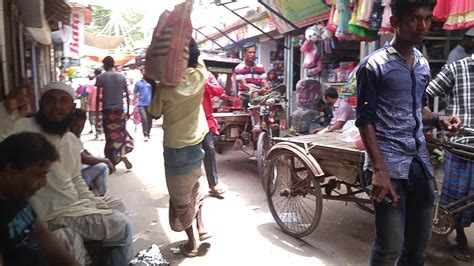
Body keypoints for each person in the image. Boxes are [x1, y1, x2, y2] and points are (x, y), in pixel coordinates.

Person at [355, 1, 462, 265]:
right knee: (389, 248)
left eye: (427, 19)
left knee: (417, 248)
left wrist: (439, 120)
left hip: (419, 163)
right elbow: (364, 121)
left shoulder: (423, 64)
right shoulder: (374, 65)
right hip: (388, 166)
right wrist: (379, 171)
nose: (423, 26)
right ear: (395, 23)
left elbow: (418, 108)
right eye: (415, 18)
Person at [0, 81, 134, 265]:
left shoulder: (70, 139)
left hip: (73, 205)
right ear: (41, 103)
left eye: (63, 101)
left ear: (72, 107)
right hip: (54, 212)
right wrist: (7, 111)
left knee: (117, 205)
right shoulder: (23, 127)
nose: (56, 107)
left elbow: (76, 178)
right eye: (51, 100)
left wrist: (92, 202)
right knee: (121, 225)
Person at [148, 38, 210, 258]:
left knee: (180, 197)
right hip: (196, 143)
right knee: (194, 185)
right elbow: (196, 56)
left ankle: (192, 243)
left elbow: (154, 113)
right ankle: (201, 227)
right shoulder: (200, 74)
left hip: (175, 147)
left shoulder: (165, 87)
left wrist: (153, 84)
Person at [0, 132, 78, 266]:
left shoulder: (16, 195)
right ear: (10, 170)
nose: (44, 183)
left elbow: (41, 233)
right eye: (38, 175)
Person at [427, 55, 474, 262]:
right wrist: (438, 120)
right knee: (457, 197)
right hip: (461, 144)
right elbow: (426, 93)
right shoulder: (456, 68)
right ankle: (460, 237)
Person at [96, 56, 134, 169]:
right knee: (121, 134)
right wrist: (128, 111)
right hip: (119, 110)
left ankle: (112, 161)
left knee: (110, 137)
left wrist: (98, 115)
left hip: (107, 111)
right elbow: (126, 95)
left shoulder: (100, 78)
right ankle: (122, 153)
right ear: (113, 64)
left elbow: (98, 97)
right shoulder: (122, 76)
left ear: (104, 65)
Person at [71, 108, 115, 196]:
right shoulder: (70, 136)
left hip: (79, 170)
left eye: (82, 126)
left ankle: (98, 193)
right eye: (76, 126)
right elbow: (83, 158)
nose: (79, 129)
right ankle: (101, 195)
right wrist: (105, 160)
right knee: (102, 167)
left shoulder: (76, 135)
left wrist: (97, 159)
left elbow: (84, 151)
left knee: (98, 165)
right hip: (73, 176)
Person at [202, 71, 226, 198]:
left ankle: (213, 184)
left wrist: (204, 82)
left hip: (205, 120)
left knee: (209, 149)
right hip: (186, 120)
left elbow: (218, 90)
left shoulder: (206, 75)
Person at [234, 43, 266, 131]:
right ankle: (257, 122)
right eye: (250, 52)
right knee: (253, 90)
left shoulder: (260, 67)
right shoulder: (239, 68)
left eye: (254, 52)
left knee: (273, 96)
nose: (252, 54)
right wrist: (253, 89)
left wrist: (266, 87)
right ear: (244, 54)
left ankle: (271, 119)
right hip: (245, 93)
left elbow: (264, 80)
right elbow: (244, 84)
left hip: (258, 93)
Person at [133, 68, 153, 141]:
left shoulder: (151, 83)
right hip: (141, 104)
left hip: (150, 104)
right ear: (141, 72)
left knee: (149, 119)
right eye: (143, 71)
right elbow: (135, 93)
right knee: (144, 119)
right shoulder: (138, 83)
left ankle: (148, 132)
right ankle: (145, 134)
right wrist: (134, 103)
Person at [86, 69, 103, 140]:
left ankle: (98, 134)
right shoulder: (104, 83)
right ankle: (100, 133)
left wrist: (88, 104)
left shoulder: (91, 83)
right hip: (102, 104)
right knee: (100, 119)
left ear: (95, 74)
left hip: (93, 104)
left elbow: (89, 95)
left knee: (95, 119)